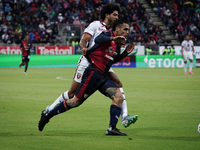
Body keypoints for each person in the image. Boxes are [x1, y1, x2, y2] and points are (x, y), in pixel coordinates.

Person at [41, 3, 138, 129]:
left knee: (118, 84)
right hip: (88, 62)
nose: (116, 17)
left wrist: (124, 51)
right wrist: (83, 47)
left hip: (103, 63)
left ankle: (124, 116)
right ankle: (49, 109)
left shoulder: (113, 33)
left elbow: (112, 56)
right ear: (106, 14)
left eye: (117, 15)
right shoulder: (96, 25)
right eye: (114, 15)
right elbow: (85, 39)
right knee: (72, 94)